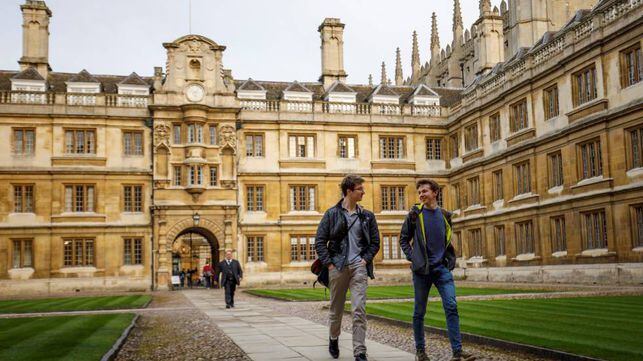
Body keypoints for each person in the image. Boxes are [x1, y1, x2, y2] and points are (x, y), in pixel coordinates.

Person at [399, 179, 476, 361]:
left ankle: (457, 352)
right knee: (419, 312)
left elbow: (446, 241)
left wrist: (448, 260)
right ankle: (420, 351)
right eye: (419, 192)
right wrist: (414, 258)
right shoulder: (414, 215)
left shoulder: (445, 216)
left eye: (424, 191)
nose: (421, 195)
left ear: (435, 193)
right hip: (421, 271)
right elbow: (403, 239)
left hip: (442, 270)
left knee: (451, 307)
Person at [315, 174, 380, 361]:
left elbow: (375, 242)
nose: (364, 192)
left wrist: (365, 260)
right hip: (338, 267)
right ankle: (333, 338)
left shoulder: (367, 216)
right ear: (349, 191)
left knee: (359, 309)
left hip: (359, 267)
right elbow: (320, 241)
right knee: (336, 309)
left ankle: (360, 351)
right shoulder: (331, 214)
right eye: (360, 189)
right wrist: (329, 263)